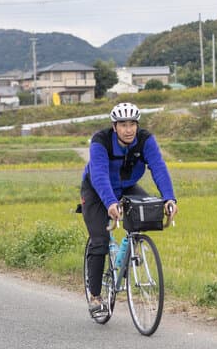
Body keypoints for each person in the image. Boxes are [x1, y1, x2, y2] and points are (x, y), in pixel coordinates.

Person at [80, 102, 178, 314]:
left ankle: (131, 249)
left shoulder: (145, 140)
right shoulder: (101, 141)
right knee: (100, 241)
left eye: (132, 124)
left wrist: (169, 199)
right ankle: (96, 297)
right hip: (97, 191)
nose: (128, 129)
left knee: (149, 210)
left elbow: (159, 168)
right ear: (114, 127)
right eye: (122, 124)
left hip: (127, 187)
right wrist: (110, 203)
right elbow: (99, 176)